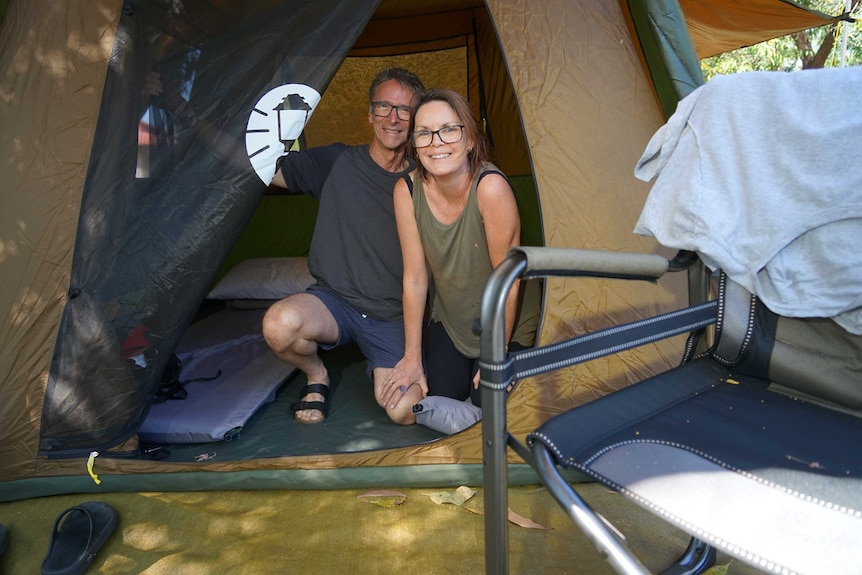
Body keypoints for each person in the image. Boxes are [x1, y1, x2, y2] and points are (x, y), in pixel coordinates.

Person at [262, 68, 426, 425]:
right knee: (279, 324)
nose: (393, 118)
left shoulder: (425, 179)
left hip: (392, 317)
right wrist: (192, 117)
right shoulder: (337, 162)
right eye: (384, 107)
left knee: (404, 412)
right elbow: (261, 166)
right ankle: (316, 375)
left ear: (417, 118)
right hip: (334, 303)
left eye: (405, 110)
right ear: (370, 115)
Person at [382, 89, 538, 411]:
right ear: (414, 144)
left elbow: (507, 280)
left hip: (508, 318)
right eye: (424, 133)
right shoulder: (407, 191)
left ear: (470, 139)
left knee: (487, 402)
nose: (436, 141)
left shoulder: (490, 188)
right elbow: (414, 278)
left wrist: (496, 351)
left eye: (449, 129)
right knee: (442, 395)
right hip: (453, 320)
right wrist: (412, 357)